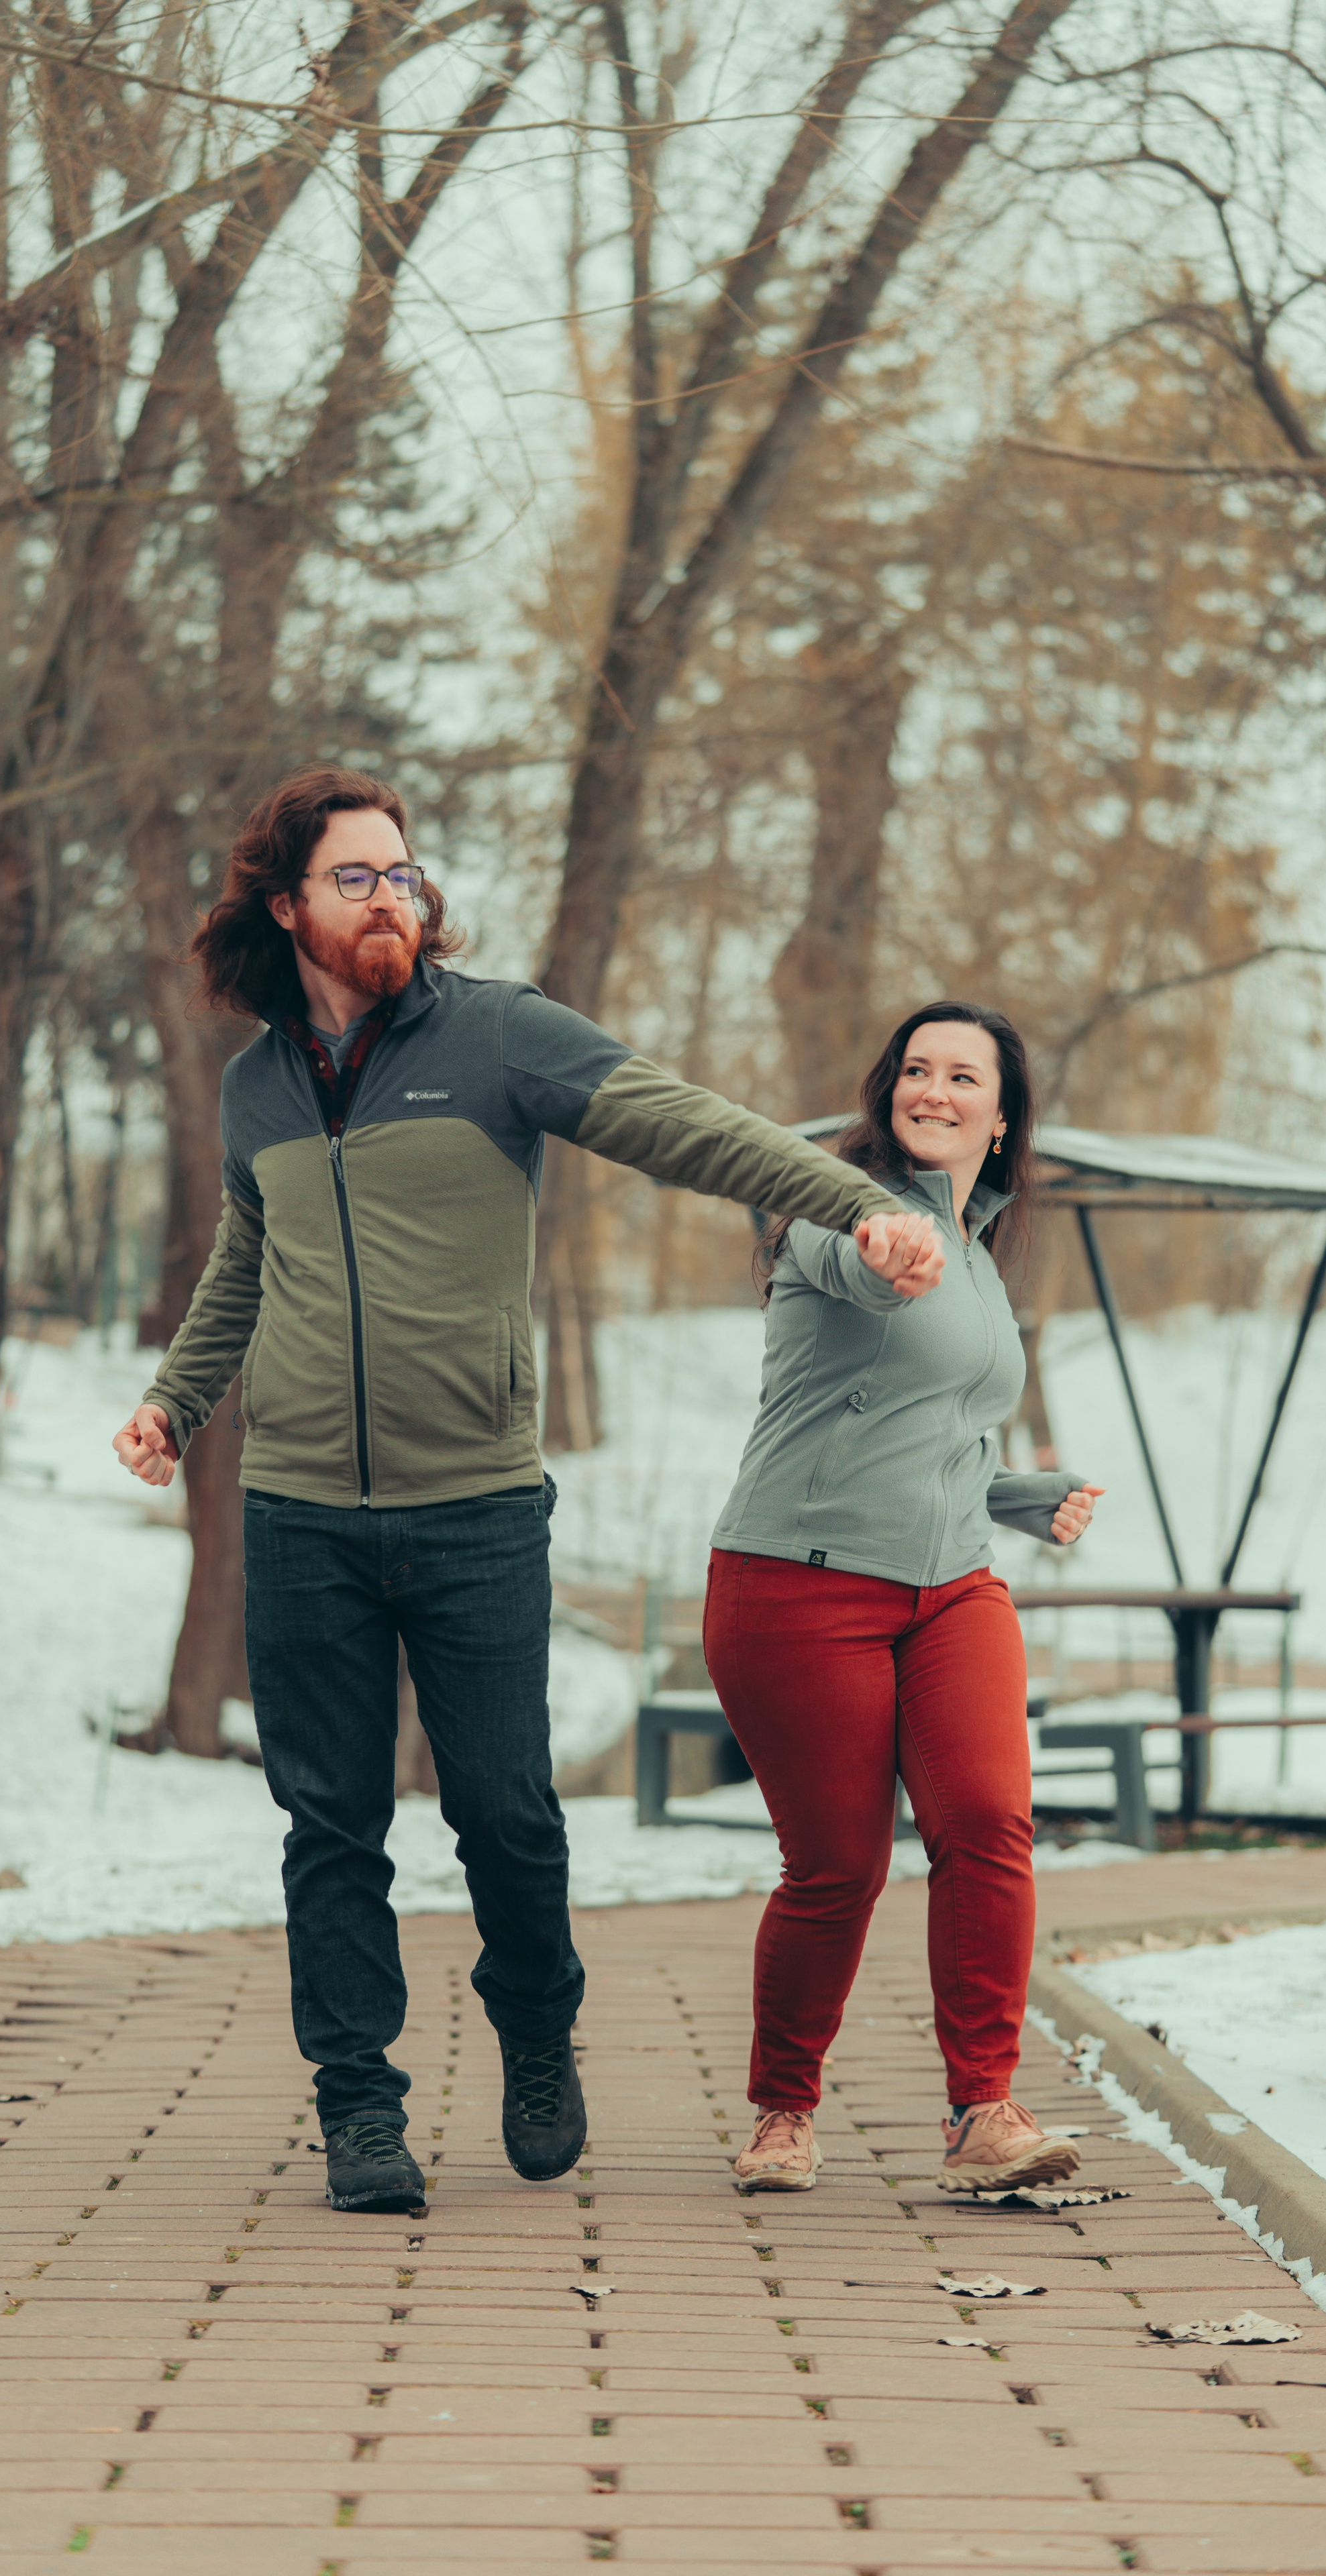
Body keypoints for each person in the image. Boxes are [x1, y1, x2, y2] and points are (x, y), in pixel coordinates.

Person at [111, 764, 948, 2220]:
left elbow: (684, 1122)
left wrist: (859, 1200)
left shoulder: (495, 1037)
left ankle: (535, 2033)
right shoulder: (253, 1087)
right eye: (357, 877)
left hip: (475, 1504)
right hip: (301, 1512)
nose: (392, 896)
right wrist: (178, 1403)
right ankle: (359, 2107)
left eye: (404, 873)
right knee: (330, 1826)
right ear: (288, 905)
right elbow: (252, 1261)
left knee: (503, 1810)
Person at [703, 1000, 1105, 2197]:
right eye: (915, 1071)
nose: (934, 1090)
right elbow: (864, 1280)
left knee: (987, 1823)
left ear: (1002, 1113)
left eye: (962, 1076)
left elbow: (941, 1426)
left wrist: (1026, 1494)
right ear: (888, 1095)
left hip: (952, 1591)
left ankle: (985, 2110)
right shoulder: (824, 1205)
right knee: (837, 1868)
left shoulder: (981, 1251)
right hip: (797, 1585)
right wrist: (884, 1240)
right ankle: (784, 2110)